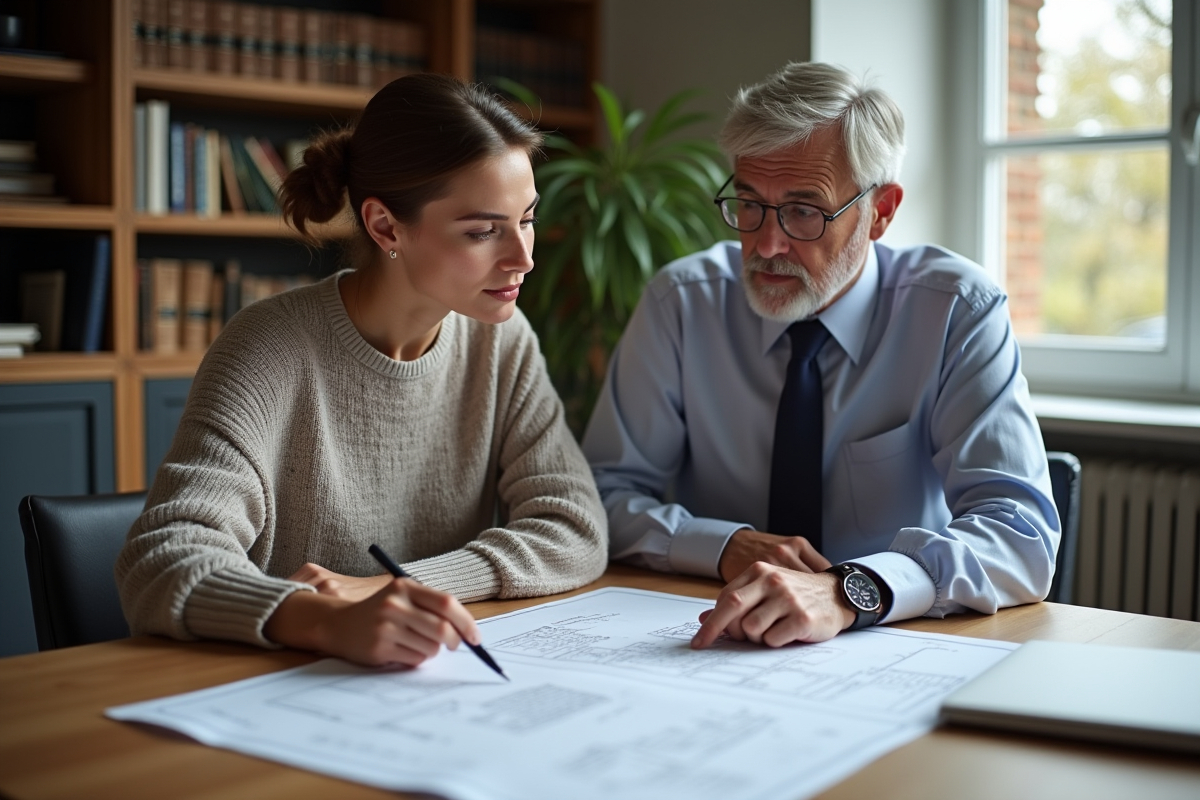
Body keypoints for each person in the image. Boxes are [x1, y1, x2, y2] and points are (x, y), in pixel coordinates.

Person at [116, 74, 608, 668]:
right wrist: (323, 617)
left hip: (422, 677)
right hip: (281, 685)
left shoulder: (501, 340)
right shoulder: (269, 347)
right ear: (384, 227)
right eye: (482, 231)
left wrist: (391, 586)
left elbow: (575, 528)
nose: (523, 258)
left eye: (526, 219)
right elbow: (161, 560)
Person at [581, 62, 1059, 650]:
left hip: (896, 639)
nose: (765, 243)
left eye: (805, 210)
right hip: (713, 631)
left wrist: (849, 589)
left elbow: (1020, 533)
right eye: (749, 203)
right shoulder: (681, 304)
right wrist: (724, 545)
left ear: (880, 211)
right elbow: (600, 495)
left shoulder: (956, 311)